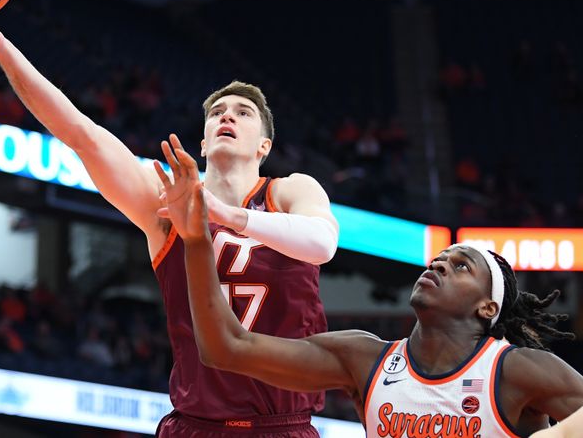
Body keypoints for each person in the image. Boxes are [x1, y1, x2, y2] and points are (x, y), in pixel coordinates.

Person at [0, 0, 340, 436]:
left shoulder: (291, 190)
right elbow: (80, 134)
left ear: (264, 146)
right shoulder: (165, 200)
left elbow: (323, 244)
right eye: (217, 112)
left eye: (243, 113)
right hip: (197, 425)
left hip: (282, 425)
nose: (226, 117)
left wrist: (228, 216)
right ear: (201, 144)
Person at [153, 136, 583, 437]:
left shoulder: (520, 369)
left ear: (487, 308)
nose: (439, 265)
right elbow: (226, 348)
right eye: (438, 259)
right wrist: (195, 242)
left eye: (461, 266)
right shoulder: (364, 358)